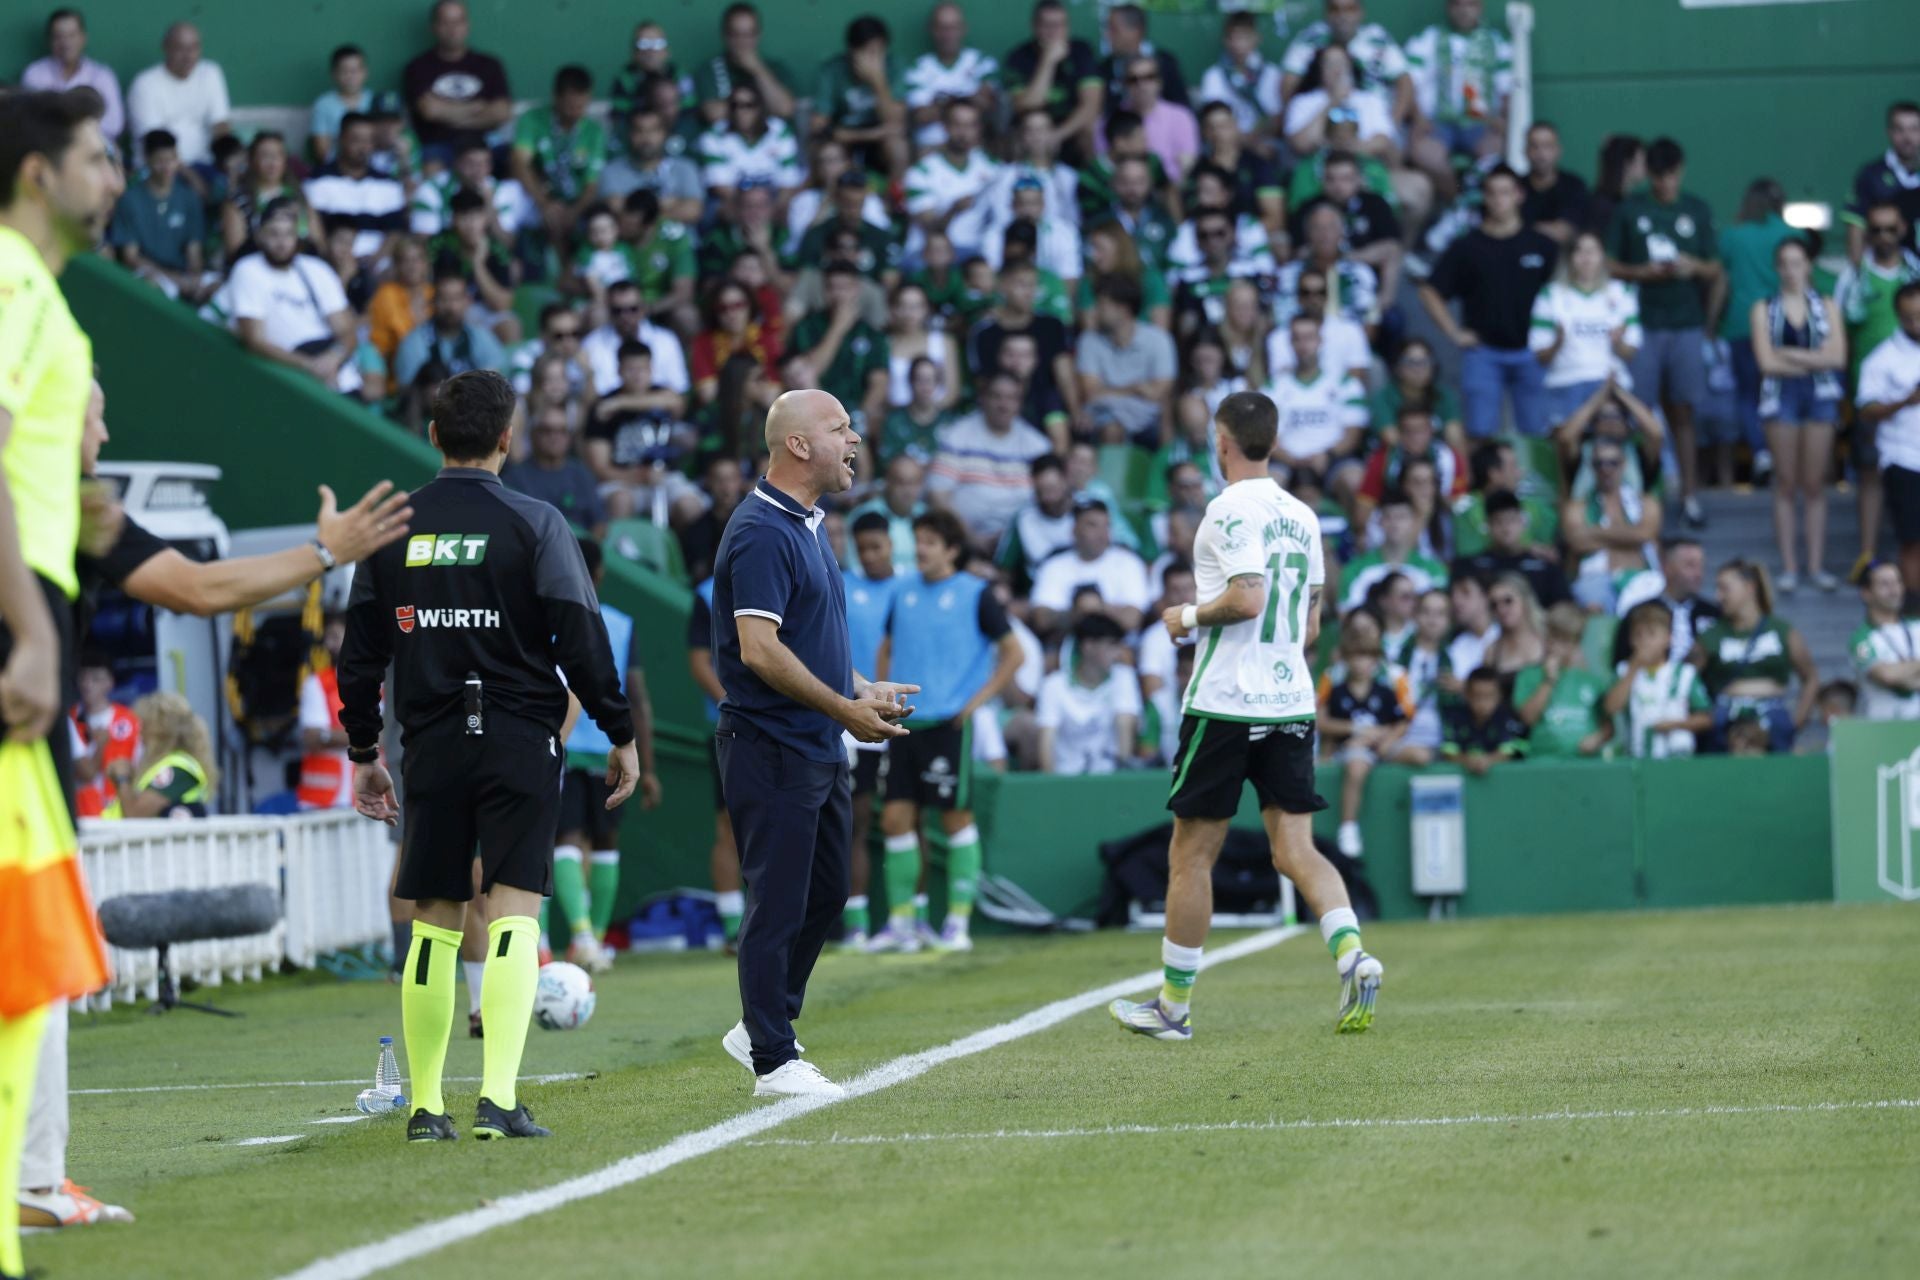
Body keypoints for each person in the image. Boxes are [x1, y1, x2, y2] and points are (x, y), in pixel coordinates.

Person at [340, 370, 638, 1143]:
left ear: (433, 435)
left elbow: (360, 651)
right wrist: (620, 730)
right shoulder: (536, 522)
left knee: (434, 924)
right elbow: (581, 637)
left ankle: (424, 1108)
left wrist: (365, 748)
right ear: (508, 438)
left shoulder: (391, 530)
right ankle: (499, 1100)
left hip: (430, 744)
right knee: (511, 913)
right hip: (519, 740)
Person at [1110, 390, 1382, 1044]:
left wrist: (1188, 616)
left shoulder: (1228, 508)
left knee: (1192, 856)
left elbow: (1248, 596)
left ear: (1222, 440)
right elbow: (1311, 623)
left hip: (1227, 700)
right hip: (1290, 698)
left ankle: (1174, 1007)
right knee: (1297, 848)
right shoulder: (1305, 516)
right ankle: (1352, 953)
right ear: (1275, 439)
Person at [709, 389, 918, 1098]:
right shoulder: (764, 530)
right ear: (798, 445)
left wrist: (858, 688)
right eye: (840, 428)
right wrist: (842, 708)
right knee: (778, 900)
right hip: (771, 744)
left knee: (826, 894)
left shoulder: (806, 525)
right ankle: (773, 1056)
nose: (855, 439)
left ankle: (762, 1023)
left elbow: (807, 641)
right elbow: (760, 650)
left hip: (815, 740)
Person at [0, 90, 118, 1268]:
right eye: (94, 156)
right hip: (13, 635)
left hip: (26, 624)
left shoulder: (42, 293)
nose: (114, 174)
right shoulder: (8, 276)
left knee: (25, 946)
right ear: (39, 173)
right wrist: (32, 627)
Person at [867, 510, 1023, 954]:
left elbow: (1013, 654)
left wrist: (974, 703)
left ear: (952, 549)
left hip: (950, 725)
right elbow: (887, 647)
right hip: (904, 724)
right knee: (896, 819)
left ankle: (957, 923)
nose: (921, 549)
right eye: (918, 541)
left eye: (930, 541)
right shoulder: (902, 592)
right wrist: (881, 698)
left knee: (955, 819)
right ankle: (902, 925)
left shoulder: (976, 594)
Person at [553, 538, 659, 973]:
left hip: (562, 742)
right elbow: (637, 696)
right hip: (612, 746)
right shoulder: (618, 623)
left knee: (565, 841)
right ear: (599, 575)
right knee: (603, 842)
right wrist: (646, 764)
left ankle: (581, 937)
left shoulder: (544, 618)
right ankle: (591, 940)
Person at [1606, 138, 1721, 527]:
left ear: (1681, 171)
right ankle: (1640, 493)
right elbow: (1608, 263)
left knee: (1683, 413)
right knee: (1639, 414)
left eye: (1671, 175)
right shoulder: (1631, 209)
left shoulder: (1696, 209)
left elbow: (1715, 269)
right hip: (1643, 325)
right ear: (1649, 174)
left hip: (1686, 321)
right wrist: (1642, 272)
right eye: (1658, 176)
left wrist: (1692, 266)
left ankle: (1690, 495)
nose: (1666, 183)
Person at [1420, 164, 1558, 437]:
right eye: (1492, 193)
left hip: (1534, 352)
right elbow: (1429, 290)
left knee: (1538, 435)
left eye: (1505, 192)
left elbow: (1563, 295)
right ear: (1484, 197)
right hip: (1483, 354)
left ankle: (1532, 482)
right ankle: (1483, 481)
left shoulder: (1541, 245)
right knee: (1480, 434)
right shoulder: (1468, 247)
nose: (1498, 200)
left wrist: (1556, 339)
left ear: (1519, 195)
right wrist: (1455, 333)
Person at [1751, 238, 1846, 593]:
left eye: (1798, 263)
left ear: (1808, 266)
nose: (1792, 271)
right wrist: (1813, 357)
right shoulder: (1763, 308)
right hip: (1781, 396)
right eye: (1785, 264)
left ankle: (1816, 565)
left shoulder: (1826, 304)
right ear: (1778, 268)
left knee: (1814, 483)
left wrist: (1788, 354)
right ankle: (1791, 566)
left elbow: (1837, 358)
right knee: (1786, 482)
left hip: (1820, 395)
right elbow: (1765, 362)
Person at [1838, 202, 1920, 575]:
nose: (1884, 237)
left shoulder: (1916, 269)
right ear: (1868, 234)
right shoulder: (1854, 276)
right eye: (1877, 230)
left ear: (1903, 229)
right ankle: (1868, 554)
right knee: (1870, 475)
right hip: (1871, 383)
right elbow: (1841, 328)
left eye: (1891, 229)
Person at [1690, 559, 1818, 755]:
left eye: (1724, 588)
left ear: (1749, 588)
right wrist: (1705, 715)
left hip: (1774, 718)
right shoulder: (1710, 635)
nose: (1718, 596)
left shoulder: (1782, 631)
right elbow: (1685, 679)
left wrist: (1796, 722)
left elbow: (1810, 677)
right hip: (1725, 721)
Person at [1718, 179, 1800, 474]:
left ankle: (1762, 451)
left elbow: (1721, 283)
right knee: (1783, 392)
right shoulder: (1792, 234)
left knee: (1747, 394)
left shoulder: (1733, 236)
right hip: (1785, 323)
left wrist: (1711, 325)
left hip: (1740, 324)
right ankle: (1784, 454)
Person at [1318, 631, 1417, 858]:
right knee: (1357, 765)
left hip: (1381, 747)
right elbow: (1322, 723)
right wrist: (1357, 730)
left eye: (1367, 657)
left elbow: (1401, 722)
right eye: (1356, 657)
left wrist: (1385, 738)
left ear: (1375, 661)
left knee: (1420, 756)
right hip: (1351, 750)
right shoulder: (1337, 690)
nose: (1362, 663)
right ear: (1346, 660)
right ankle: (1348, 827)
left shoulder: (1384, 690)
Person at [1529, 229, 1641, 427]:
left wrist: (1618, 342)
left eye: (1593, 251)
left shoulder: (1622, 292)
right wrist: (1557, 343)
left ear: (1602, 256)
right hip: (1564, 382)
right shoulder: (1550, 295)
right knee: (1567, 448)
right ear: (1569, 257)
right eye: (1579, 251)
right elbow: (1540, 357)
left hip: (1611, 383)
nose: (1586, 258)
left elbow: (1630, 353)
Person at [1856, 283, 1920, 596]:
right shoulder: (1883, 357)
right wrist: (1906, 400)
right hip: (1903, 456)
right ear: (1898, 316)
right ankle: (1913, 610)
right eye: (1910, 317)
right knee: (1912, 540)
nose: (1917, 323)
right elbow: (1866, 409)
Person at [1264, 314, 1368, 504]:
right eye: (1297, 338)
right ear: (1290, 343)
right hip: (1287, 461)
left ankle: (1360, 534)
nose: (1304, 345)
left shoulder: (1345, 383)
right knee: (1264, 490)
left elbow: (1352, 434)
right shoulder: (1273, 387)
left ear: (1320, 341)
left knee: (1356, 483)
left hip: (1333, 458)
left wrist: (1327, 455)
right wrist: (1292, 460)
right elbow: (1267, 438)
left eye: (1309, 338)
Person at [401, 0, 513, 168]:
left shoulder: (489, 65)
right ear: (434, 27)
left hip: (485, 144)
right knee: (430, 168)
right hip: (439, 146)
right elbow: (430, 111)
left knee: (515, 162)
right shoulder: (418, 67)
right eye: (445, 22)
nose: (452, 29)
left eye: (458, 21)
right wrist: (477, 107)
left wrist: (448, 113)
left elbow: (502, 112)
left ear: (467, 25)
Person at [107, 129, 214, 304]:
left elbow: (194, 250)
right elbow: (131, 257)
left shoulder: (188, 196)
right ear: (147, 159)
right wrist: (174, 279)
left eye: (171, 160)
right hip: (151, 275)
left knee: (216, 284)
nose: (167, 168)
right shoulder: (130, 199)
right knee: (151, 285)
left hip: (184, 274)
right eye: (159, 161)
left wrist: (193, 280)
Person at [512, 65, 607, 250]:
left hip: (577, 203)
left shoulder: (595, 132)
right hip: (538, 197)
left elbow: (592, 183)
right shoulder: (532, 120)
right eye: (570, 106)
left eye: (582, 106)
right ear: (556, 98)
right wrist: (544, 203)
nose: (576, 113)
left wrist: (574, 212)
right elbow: (519, 163)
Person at [1028, 499, 1151, 640]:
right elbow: (1041, 619)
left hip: (1117, 645)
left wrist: (1098, 608)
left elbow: (1132, 620)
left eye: (1106, 526)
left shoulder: (1129, 562)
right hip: (1066, 643)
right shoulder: (1054, 565)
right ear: (1074, 530)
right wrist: (1077, 612)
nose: (1102, 533)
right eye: (1092, 525)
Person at [1562, 437, 1661, 612]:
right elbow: (1576, 542)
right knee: (1593, 606)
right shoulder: (1577, 506)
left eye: (1612, 463)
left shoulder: (1645, 503)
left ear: (1623, 464)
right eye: (1599, 463)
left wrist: (1593, 532)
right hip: (1595, 579)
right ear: (1592, 467)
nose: (1606, 469)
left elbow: (1645, 535)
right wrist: (1630, 536)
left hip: (1640, 578)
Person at [1077, 275, 1177, 448]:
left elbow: (1159, 392)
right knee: (1109, 426)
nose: (1096, 311)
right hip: (1104, 412)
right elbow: (1091, 392)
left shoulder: (1159, 339)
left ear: (1123, 309)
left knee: (1167, 414)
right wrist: (1136, 388)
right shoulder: (1089, 340)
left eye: (1102, 305)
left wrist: (1110, 391)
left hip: (1148, 414)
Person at [1034, 613, 1140, 775]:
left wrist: (1122, 778)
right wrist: (1052, 787)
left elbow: (1125, 725)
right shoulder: (1053, 685)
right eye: (1111, 645)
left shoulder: (1124, 677)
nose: (1118, 653)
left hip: (1109, 778)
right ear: (1088, 646)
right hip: (1065, 780)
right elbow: (1046, 740)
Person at [1604, 600, 1712, 759]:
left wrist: (1675, 724)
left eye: (1651, 634)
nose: (1644, 641)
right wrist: (1633, 668)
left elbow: (1706, 718)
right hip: (1636, 759)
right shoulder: (1623, 671)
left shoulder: (1684, 674)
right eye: (1638, 635)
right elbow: (1611, 708)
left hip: (1677, 759)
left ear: (1668, 638)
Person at [1003, 0, 1105, 163]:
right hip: (1033, 131)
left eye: (1060, 25)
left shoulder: (1081, 51)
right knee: (1021, 131)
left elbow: (1091, 106)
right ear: (1035, 26)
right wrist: (1048, 62)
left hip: (1070, 128)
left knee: (1090, 128)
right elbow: (1026, 107)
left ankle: (1088, 183)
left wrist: (1057, 135)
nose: (1053, 32)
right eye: (1047, 25)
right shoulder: (1019, 57)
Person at [303, 113, 408, 265]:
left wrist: (375, 260)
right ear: (341, 140)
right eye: (356, 140)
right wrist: (332, 258)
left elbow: (395, 232)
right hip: (330, 262)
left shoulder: (389, 185)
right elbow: (313, 229)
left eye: (368, 141)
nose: (363, 147)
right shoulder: (317, 181)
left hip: (378, 266)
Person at [1512, 603, 1612, 759]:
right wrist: (1549, 680)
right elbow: (1527, 718)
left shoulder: (1592, 681)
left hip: (1584, 766)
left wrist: (1597, 738)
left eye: (1564, 640)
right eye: (1551, 637)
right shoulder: (1528, 675)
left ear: (1576, 643)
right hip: (1542, 763)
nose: (1554, 645)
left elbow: (1607, 725)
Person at [125, 23, 229, 170]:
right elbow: (157, 146)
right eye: (181, 49)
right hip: (159, 171)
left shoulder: (210, 73)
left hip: (205, 166)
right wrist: (193, 180)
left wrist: (226, 162)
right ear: (165, 48)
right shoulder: (144, 83)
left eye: (194, 48)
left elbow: (221, 126)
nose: (188, 56)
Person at [394, 264, 508, 391]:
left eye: (457, 298)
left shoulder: (479, 337)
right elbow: (408, 394)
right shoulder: (414, 343)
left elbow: (497, 381)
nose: (451, 307)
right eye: (444, 299)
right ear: (433, 302)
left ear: (467, 301)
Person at [101, 691, 214, 818]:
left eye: (144, 725)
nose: (140, 732)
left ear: (161, 730)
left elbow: (135, 814)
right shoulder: (160, 765)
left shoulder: (179, 767)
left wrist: (122, 778)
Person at [904, 4, 999, 152]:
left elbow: (986, 105)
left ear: (963, 29)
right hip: (931, 147)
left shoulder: (981, 61)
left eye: (954, 27)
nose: (948, 34)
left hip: (974, 147)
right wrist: (966, 99)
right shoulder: (918, 68)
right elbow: (921, 116)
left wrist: (942, 103)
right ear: (932, 30)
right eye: (942, 28)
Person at [21, 11, 124, 147]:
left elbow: (114, 125)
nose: (65, 43)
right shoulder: (34, 74)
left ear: (83, 38)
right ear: (49, 40)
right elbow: (32, 121)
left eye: (71, 35)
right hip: (50, 151)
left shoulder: (102, 75)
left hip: (95, 150)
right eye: (58, 37)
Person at [502, 404, 606, 537]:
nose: (555, 437)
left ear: (569, 437)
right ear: (533, 434)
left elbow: (600, 523)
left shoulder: (581, 473)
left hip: (580, 550)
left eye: (562, 431)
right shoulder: (514, 478)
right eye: (547, 430)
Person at [1456, 489, 1570, 607]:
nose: (1506, 529)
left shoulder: (1546, 566)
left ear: (1522, 522)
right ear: (1488, 526)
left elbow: (1563, 609)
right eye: (1498, 521)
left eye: (1511, 520)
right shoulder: (1471, 567)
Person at [1194, 11, 1284, 152]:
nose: (1238, 45)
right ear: (1225, 40)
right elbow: (1212, 121)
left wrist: (1254, 140)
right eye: (1233, 38)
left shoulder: (1273, 74)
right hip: (1225, 145)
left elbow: (1277, 117)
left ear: (1257, 38)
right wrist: (1242, 141)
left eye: (1244, 37)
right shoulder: (1214, 76)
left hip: (1264, 143)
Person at [695, 3, 798, 126]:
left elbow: (785, 109)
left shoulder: (776, 68)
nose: (743, 42)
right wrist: (760, 105)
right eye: (736, 35)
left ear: (758, 35)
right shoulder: (709, 69)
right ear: (725, 36)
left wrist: (758, 70)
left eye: (749, 35)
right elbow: (713, 113)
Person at [1845, 101, 1920, 261]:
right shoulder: (1871, 175)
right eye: (1900, 130)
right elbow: (1856, 226)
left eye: (1914, 129)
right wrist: (1858, 272)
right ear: (1890, 132)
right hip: (1888, 269)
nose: (1907, 137)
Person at [600, 110, 703, 224]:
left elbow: (693, 211)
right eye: (639, 131)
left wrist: (636, 210)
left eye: (653, 130)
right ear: (629, 134)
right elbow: (616, 209)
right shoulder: (612, 171)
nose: (646, 138)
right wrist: (668, 204)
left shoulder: (685, 168)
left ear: (664, 134)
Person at [295, 613, 353, 811]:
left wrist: (331, 735)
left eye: (336, 637)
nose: (330, 644)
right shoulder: (317, 684)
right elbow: (312, 738)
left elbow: (390, 734)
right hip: (323, 803)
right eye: (328, 637)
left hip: (371, 799)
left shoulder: (382, 685)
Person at [70, 652, 137, 819]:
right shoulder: (70, 719)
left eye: (96, 679)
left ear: (110, 683)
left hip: (119, 811)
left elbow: (139, 763)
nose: (87, 684)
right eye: (83, 678)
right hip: (81, 813)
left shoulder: (128, 720)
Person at [1851, 560, 1920, 721]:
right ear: (1866, 593)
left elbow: (1893, 674)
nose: (1894, 590)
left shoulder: (1917, 626)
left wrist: (1901, 672)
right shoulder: (1861, 639)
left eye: (1897, 582)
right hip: (1882, 730)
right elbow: (1886, 675)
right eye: (1884, 584)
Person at [1441, 668, 1529, 774]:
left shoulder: (1506, 717)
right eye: (1477, 696)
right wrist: (1468, 762)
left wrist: (1487, 761)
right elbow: (1449, 753)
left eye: (1489, 696)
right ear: (1466, 695)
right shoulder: (1454, 717)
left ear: (1499, 696)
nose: (1483, 703)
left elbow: (1509, 752)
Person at [1519, 121, 1589, 245]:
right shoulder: (1515, 187)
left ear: (1558, 150)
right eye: (1534, 146)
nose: (1541, 154)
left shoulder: (1573, 186)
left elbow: (1564, 233)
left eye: (1547, 146)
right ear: (1525, 151)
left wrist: (1522, 229)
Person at [1484, 573, 1547, 679]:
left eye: (1508, 601)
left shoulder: (1550, 640)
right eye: (1494, 605)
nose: (1501, 610)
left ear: (1525, 599)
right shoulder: (1491, 652)